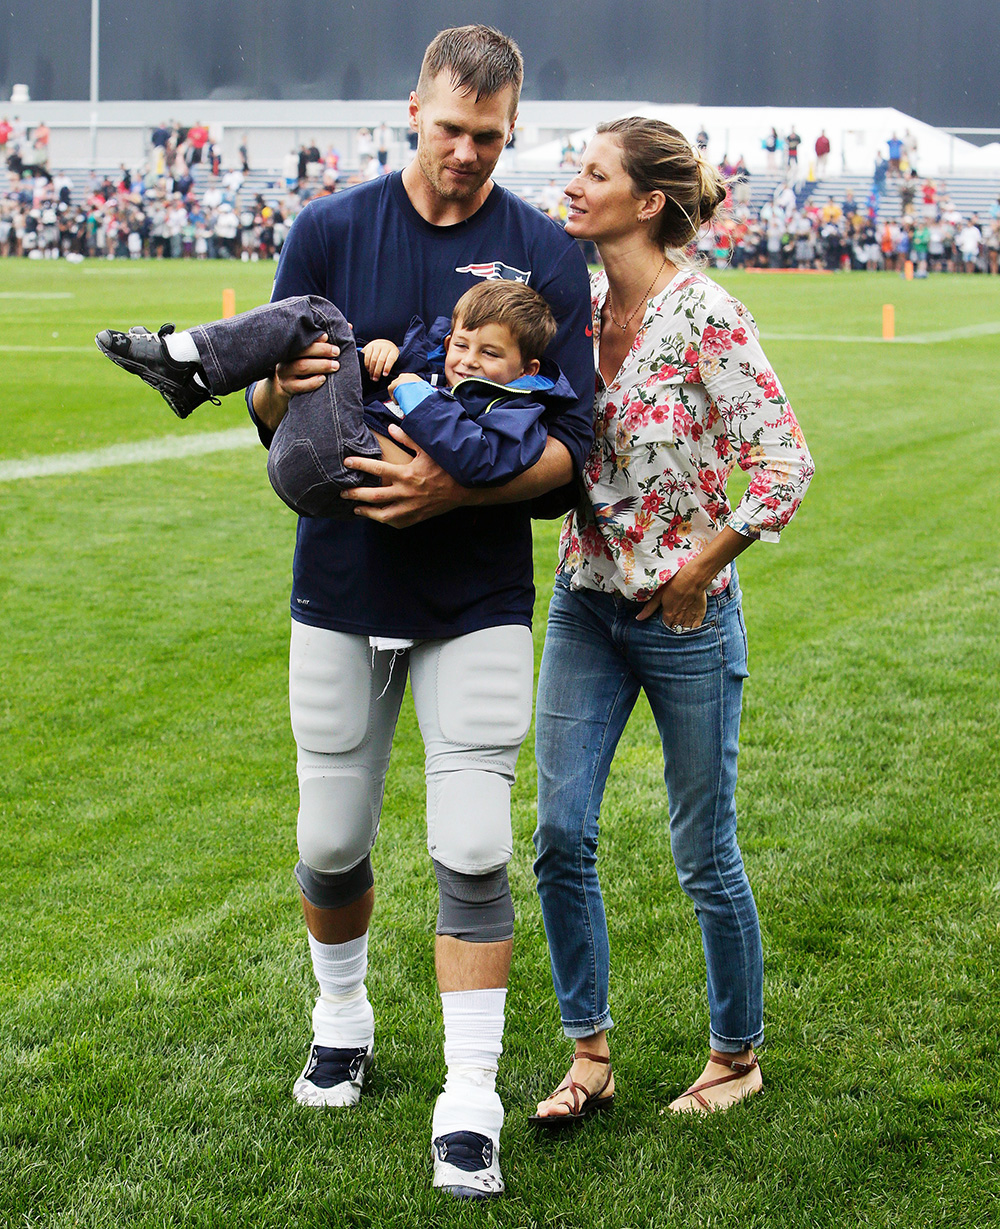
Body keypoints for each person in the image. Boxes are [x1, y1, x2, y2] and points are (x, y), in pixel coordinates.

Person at [242, 25, 594, 1199]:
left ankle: (471, 1094)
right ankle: (340, 1016)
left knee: (473, 842)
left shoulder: (543, 250)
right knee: (331, 838)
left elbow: (572, 452)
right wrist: (272, 383)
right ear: (413, 110)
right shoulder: (330, 229)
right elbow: (266, 414)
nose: (466, 154)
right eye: (449, 128)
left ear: (514, 131)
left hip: (475, 589)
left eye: (489, 137)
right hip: (341, 581)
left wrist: (459, 477)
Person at [527, 117, 814, 1126]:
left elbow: (785, 466)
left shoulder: (705, 315)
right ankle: (589, 1055)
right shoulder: (568, 308)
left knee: (703, 851)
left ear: (645, 201)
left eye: (592, 173)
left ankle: (735, 1055)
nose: (573, 185)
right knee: (559, 833)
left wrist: (701, 567)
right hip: (582, 604)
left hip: (684, 616)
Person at [94, 279, 575, 509]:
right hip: (309, 455)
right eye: (461, 345)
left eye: (489, 353)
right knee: (328, 332)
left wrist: (413, 394)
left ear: (527, 368)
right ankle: (189, 368)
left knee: (320, 315)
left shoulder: (520, 408)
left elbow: (479, 460)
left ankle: (188, 365)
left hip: (347, 463)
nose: (468, 360)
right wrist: (373, 356)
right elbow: (374, 389)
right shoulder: (433, 370)